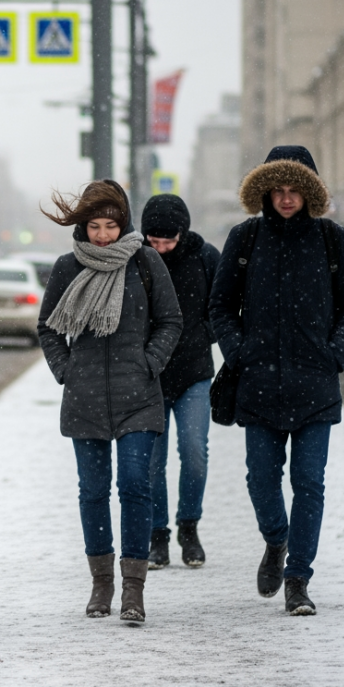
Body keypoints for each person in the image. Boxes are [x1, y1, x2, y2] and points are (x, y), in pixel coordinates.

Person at [210, 146, 344, 616]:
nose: (285, 198)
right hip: (258, 383)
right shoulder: (244, 239)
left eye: (294, 189)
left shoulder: (332, 239)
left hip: (314, 384)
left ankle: (298, 578)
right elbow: (220, 306)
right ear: (265, 191)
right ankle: (276, 540)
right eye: (277, 190)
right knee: (260, 479)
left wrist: (334, 354)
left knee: (309, 482)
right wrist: (240, 352)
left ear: (309, 192)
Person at [36, 180, 183, 623]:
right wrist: (67, 370)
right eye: (95, 226)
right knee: (93, 492)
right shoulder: (67, 266)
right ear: (83, 226)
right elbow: (47, 327)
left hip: (138, 395)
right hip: (85, 399)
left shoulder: (145, 262)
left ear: (124, 224)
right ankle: (101, 584)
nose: (103, 235)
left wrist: (149, 362)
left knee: (136, 486)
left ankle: (133, 591)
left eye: (111, 226)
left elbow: (171, 320)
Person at [140, 194, 219, 570]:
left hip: (194, 373)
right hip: (149, 376)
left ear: (182, 232)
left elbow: (226, 305)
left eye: (167, 241)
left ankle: (189, 527)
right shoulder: (136, 258)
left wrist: (205, 333)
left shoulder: (205, 257)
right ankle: (158, 536)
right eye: (153, 241)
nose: (160, 249)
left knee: (194, 452)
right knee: (153, 463)